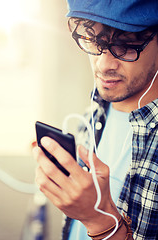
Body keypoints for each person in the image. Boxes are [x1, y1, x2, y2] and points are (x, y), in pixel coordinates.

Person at [33, 0, 158, 239]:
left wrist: (99, 221)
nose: (103, 64)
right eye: (92, 39)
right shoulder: (95, 112)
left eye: (126, 45)